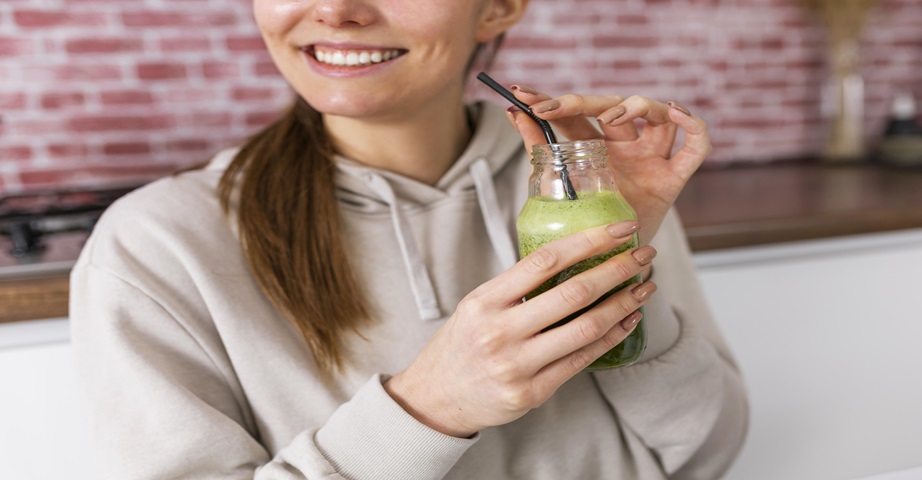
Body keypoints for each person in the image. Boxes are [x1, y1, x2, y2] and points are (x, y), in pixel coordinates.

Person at [70, 0, 748, 478]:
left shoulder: (586, 189)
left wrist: (615, 261)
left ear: (500, 6)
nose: (335, 9)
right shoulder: (157, 245)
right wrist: (431, 408)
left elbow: (706, 454)